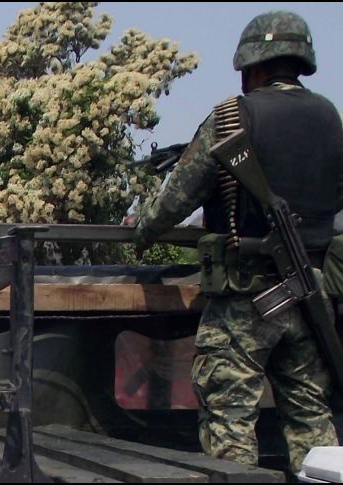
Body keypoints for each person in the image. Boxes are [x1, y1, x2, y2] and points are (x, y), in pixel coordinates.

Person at [131, 11, 343, 474]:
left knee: (230, 429)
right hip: (312, 299)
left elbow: (173, 203)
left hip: (247, 300)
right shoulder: (331, 118)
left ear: (252, 66)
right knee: (313, 423)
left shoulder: (233, 119)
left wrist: (141, 228)